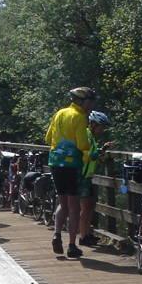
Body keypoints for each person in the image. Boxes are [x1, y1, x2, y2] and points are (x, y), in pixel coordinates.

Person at [44, 87, 95, 258]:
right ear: (82, 101)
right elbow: (82, 145)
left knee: (62, 202)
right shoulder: (80, 117)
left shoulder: (60, 113)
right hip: (72, 164)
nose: (92, 104)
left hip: (54, 162)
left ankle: (57, 234)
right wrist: (92, 152)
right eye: (90, 100)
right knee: (74, 207)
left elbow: (47, 137)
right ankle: (72, 245)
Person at [78, 110, 114, 245]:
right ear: (93, 124)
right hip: (83, 176)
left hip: (88, 176)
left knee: (90, 206)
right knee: (85, 208)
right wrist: (96, 155)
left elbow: (93, 155)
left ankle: (87, 233)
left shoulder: (91, 137)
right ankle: (83, 237)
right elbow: (85, 154)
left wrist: (102, 149)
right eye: (101, 126)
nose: (102, 130)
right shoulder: (86, 135)